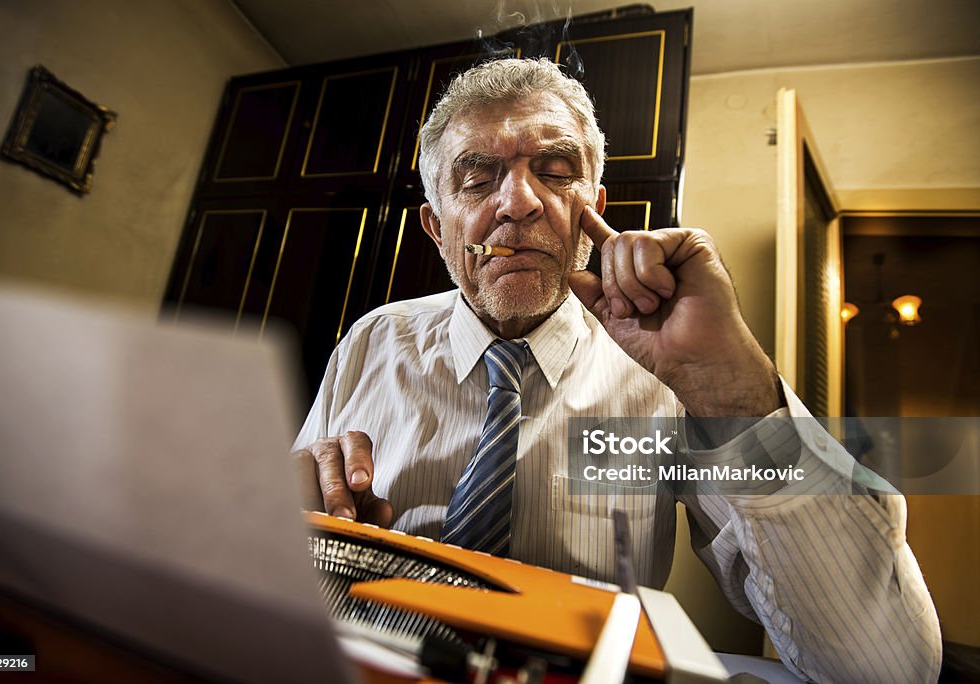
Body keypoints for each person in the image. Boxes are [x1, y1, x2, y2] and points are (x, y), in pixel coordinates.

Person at [293, 59, 940, 682]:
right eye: (477, 177)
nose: (519, 203)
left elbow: (881, 668)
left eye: (554, 171)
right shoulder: (373, 341)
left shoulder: (671, 372)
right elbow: (274, 540)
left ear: (594, 207)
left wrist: (731, 387)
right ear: (437, 229)